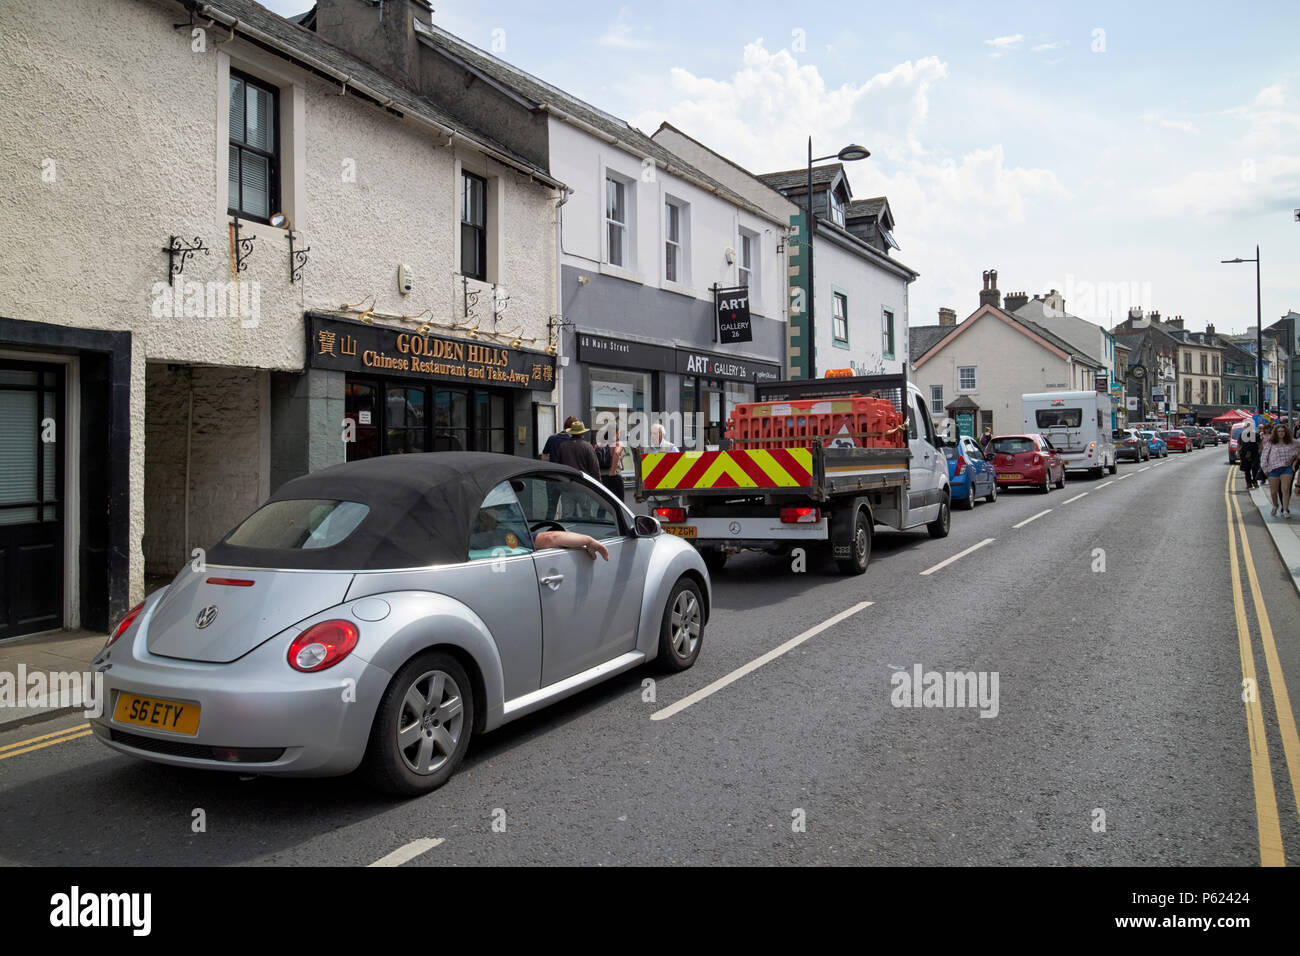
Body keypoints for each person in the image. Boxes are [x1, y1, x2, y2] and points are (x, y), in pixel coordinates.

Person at [1260, 423, 1300, 518]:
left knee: (1285, 489)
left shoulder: (1292, 442)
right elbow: (1264, 457)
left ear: (1286, 432)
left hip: (1286, 469)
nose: (1281, 433)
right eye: (1279, 431)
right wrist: (1265, 470)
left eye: (1282, 431)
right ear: (1276, 433)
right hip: (1273, 469)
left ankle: (1285, 510)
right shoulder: (1271, 443)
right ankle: (1275, 505)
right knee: (1274, 491)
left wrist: (1295, 463)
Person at [597, 429, 626, 502]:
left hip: (602, 477)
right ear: (615, 434)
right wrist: (612, 471)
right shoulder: (618, 444)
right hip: (615, 476)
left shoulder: (598, 445)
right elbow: (616, 453)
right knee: (619, 503)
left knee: (603, 503)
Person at [1239, 420, 1260, 490]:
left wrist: (1259, 451)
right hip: (1245, 453)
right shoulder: (1242, 434)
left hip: (1254, 453)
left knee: (1254, 468)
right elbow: (1239, 444)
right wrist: (1238, 452)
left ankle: (1255, 481)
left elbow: (1260, 444)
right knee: (1247, 469)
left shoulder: (1256, 434)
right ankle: (1248, 483)